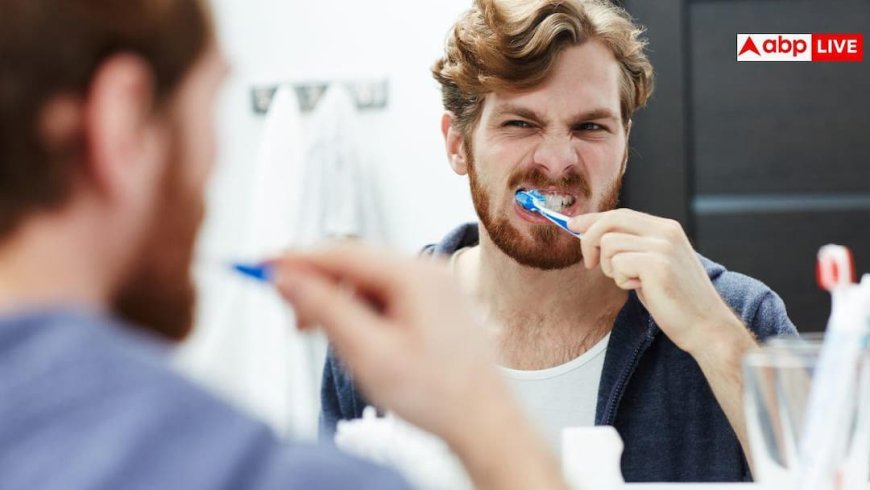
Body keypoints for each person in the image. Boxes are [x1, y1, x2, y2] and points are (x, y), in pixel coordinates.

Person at [0, 0, 567, 488]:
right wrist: (486, 419)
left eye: (593, 126)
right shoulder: (238, 474)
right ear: (124, 122)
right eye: (211, 105)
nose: (217, 160)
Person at [321, 0, 798, 482]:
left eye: (590, 127)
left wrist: (715, 337)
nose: (556, 161)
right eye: (520, 123)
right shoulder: (375, 326)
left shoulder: (741, 316)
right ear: (457, 144)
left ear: (624, 146)